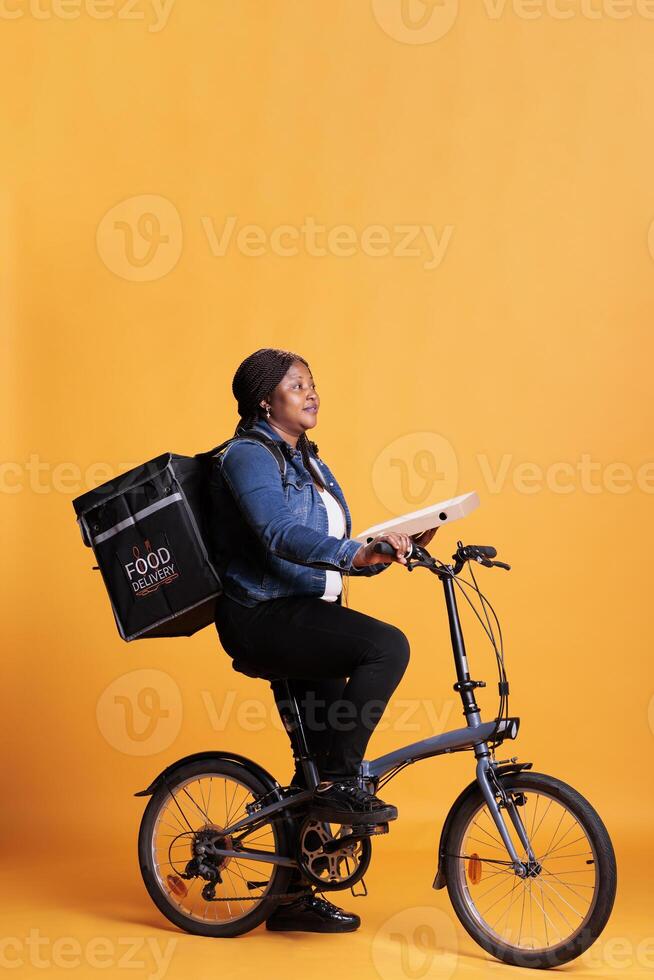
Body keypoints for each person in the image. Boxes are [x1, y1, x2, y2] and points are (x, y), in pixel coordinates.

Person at [209, 347, 436, 934]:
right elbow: (279, 533)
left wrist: (390, 547)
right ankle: (343, 779)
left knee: (318, 750)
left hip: (304, 610)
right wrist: (351, 551)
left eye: (313, 383)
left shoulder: (310, 461)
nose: (311, 393)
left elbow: (335, 553)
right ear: (266, 398)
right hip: (262, 615)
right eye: (296, 385)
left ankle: (290, 899)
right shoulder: (247, 456)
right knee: (387, 647)